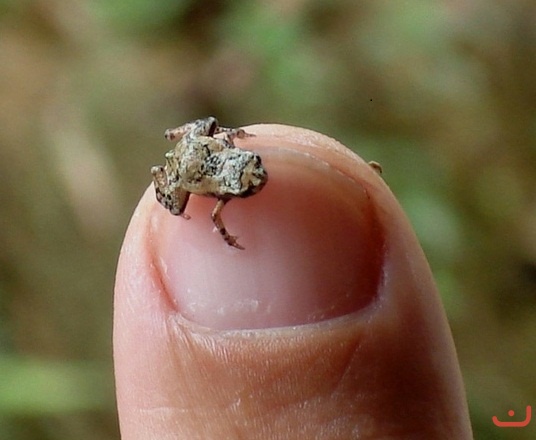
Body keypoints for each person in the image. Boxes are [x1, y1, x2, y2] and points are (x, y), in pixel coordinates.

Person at [114, 124, 473, 439]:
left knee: (210, 127)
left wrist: (229, 139)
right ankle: (164, 170)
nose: (259, 179)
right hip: (187, 167)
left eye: (254, 164)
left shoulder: (229, 158)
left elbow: (224, 149)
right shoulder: (219, 197)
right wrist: (226, 237)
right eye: (246, 188)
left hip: (201, 149)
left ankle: (182, 143)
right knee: (175, 206)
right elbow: (216, 219)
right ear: (230, 191)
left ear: (242, 156)